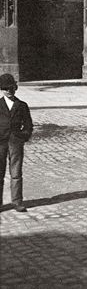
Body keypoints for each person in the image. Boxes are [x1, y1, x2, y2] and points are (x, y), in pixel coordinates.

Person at [0, 73, 33, 212]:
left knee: (16, 172)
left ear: (15, 87)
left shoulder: (22, 105)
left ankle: (17, 201)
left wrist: (23, 137)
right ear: (2, 89)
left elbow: (28, 125)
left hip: (15, 142)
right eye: (5, 88)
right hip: (0, 142)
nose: (9, 90)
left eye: (11, 87)